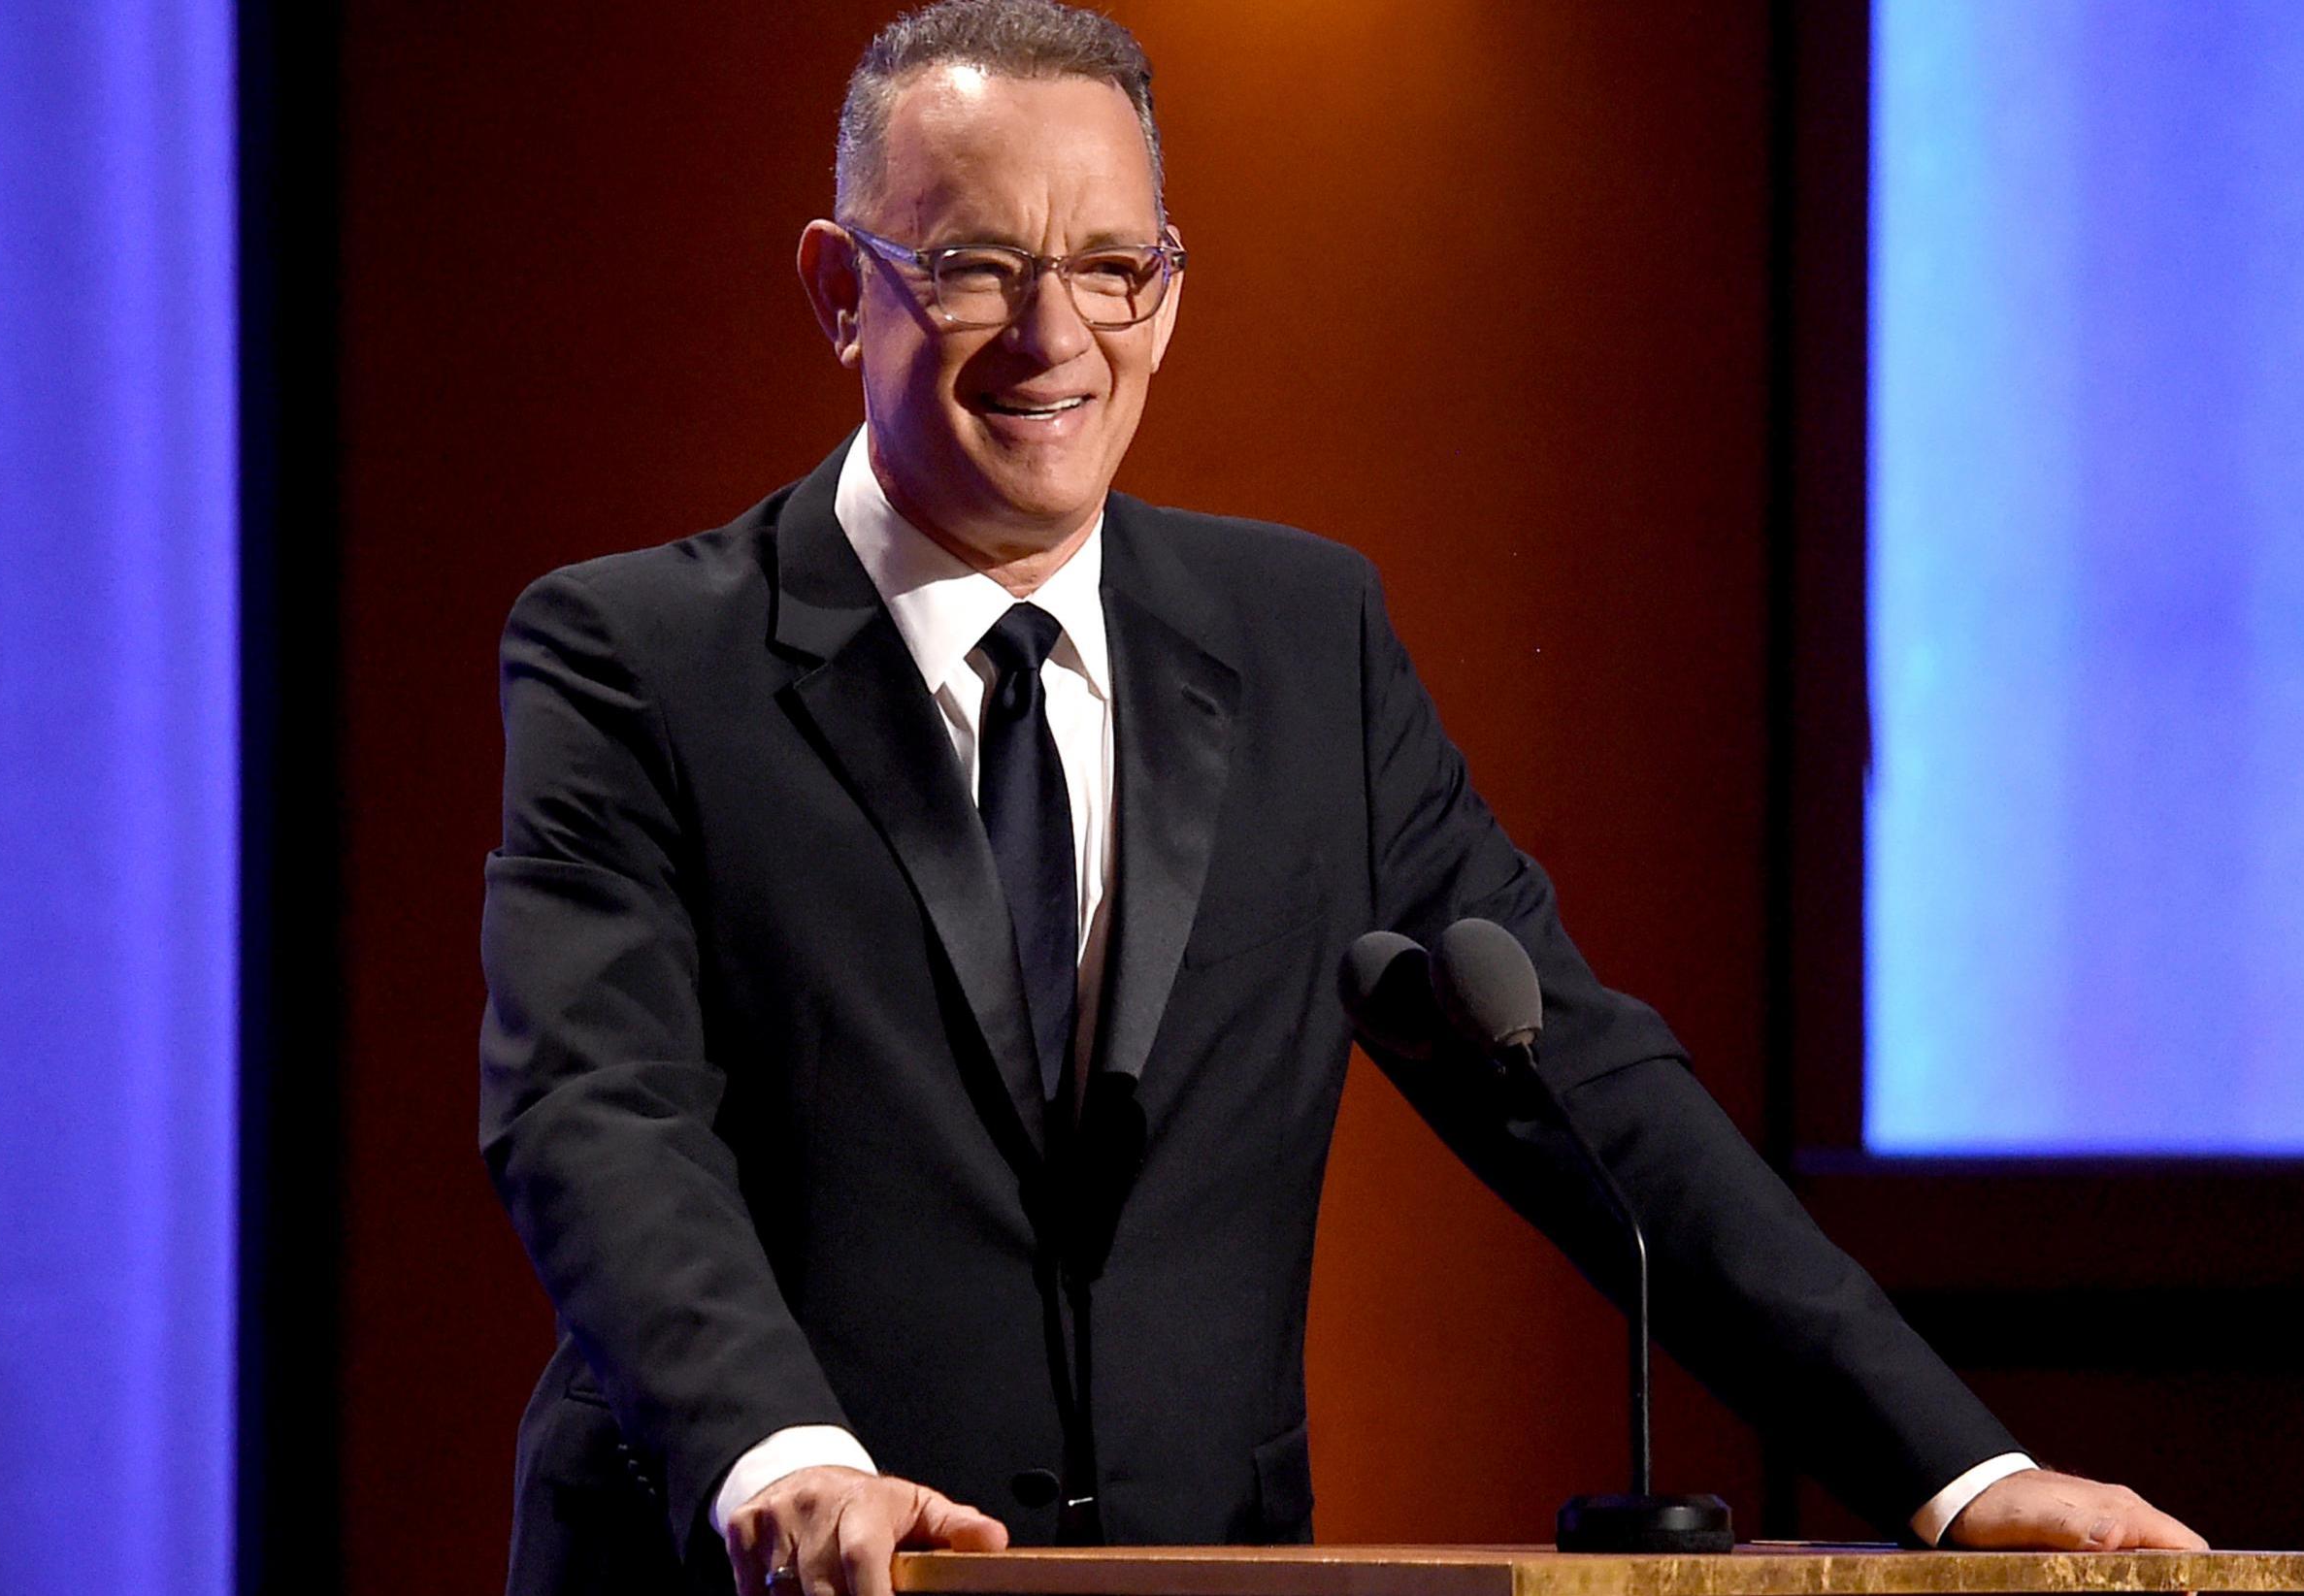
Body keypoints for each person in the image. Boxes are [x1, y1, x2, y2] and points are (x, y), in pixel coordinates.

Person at [477, 4, 2204, 1594]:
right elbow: (596, 1110)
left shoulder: (1307, 641)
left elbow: (1584, 1085)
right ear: (839, 287)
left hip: (1205, 1573)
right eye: (978, 265)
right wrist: (781, 1450)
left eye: (1111, 266)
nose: (1056, 335)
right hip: (765, 1578)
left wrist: (1963, 1472)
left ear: (1174, 286)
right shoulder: (638, 658)